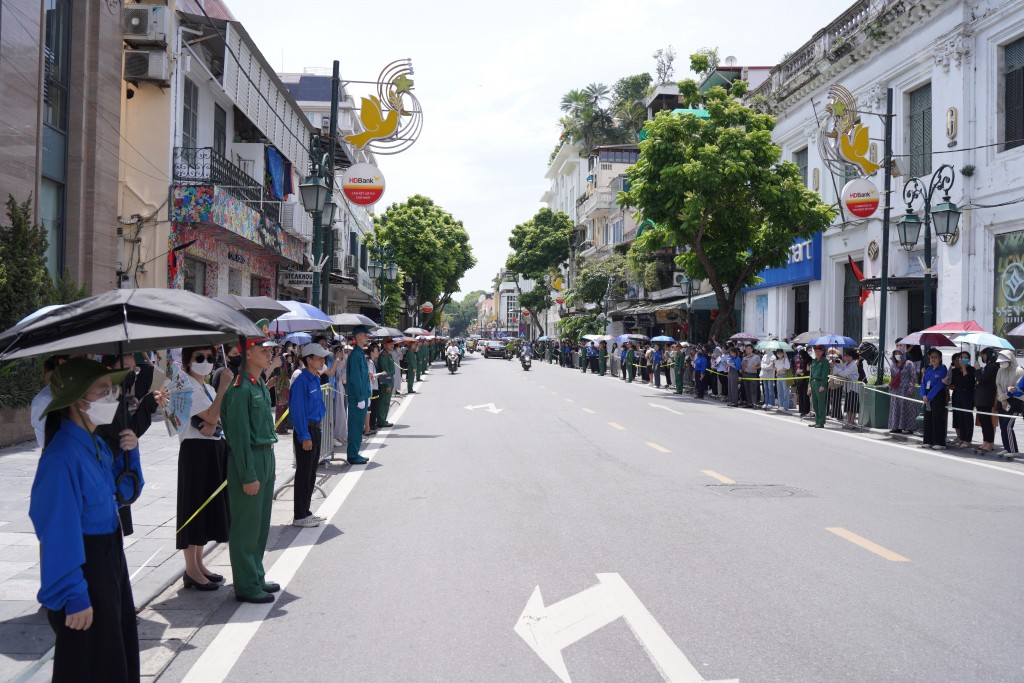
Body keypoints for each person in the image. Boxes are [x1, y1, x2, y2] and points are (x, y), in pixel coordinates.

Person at [30, 358, 143, 681]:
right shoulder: (61, 456)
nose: (113, 397)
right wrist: (73, 592)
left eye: (114, 390)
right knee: (88, 664)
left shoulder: (95, 444)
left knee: (115, 654)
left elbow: (124, 494)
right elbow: (56, 530)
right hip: (84, 565)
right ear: (78, 400)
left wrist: (129, 452)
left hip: (110, 558)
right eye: (104, 391)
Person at [220, 320, 280, 604]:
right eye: (263, 349)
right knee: (246, 527)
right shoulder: (240, 389)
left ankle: (256, 574)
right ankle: (245, 585)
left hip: (265, 455)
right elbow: (240, 437)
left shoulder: (258, 386)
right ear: (246, 354)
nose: (269, 353)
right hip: (250, 460)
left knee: (260, 524)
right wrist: (247, 474)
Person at [176, 346, 231, 590]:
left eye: (210, 357)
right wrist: (223, 389)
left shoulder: (206, 387)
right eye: (200, 357)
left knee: (205, 508)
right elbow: (210, 416)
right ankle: (191, 569)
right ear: (188, 361)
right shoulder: (183, 385)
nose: (206, 362)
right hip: (195, 452)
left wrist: (213, 418)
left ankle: (199, 564)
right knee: (193, 509)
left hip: (212, 449)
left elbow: (216, 417)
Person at [289, 343, 330, 528]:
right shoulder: (301, 380)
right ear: (308, 360)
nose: (323, 360)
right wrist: (304, 436)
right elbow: (298, 411)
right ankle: (299, 515)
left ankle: (306, 512)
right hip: (306, 430)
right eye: (319, 357)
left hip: (315, 429)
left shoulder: (314, 378)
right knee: (304, 474)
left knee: (311, 472)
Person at [345, 326, 373, 465]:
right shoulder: (355, 355)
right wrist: (361, 398)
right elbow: (355, 379)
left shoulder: (359, 353)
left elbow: (363, 378)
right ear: (357, 337)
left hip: (361, 396)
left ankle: (355, 452)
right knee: (355, 427)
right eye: (364, 335)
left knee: (358, 426)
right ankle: (352, 455)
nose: (366, 337)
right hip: (357, 398)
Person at [995, 349, 1023, 456]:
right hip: (1002, 400)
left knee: (1008, 426)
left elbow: (1017, 389)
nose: (1001, 363)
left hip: (1015, 401)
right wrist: (1003, 399)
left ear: (1011, 359)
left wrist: (1005, 397)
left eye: (1004, 361)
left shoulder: (1019, 370)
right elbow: (998, 385)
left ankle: (1014, 450)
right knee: (1002, 425)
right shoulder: (1000, 370)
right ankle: (1007, 448)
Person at [920, 348, 949, 449]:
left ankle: (939, 442)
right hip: (927, 396)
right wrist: (923, 395)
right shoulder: (928, 369)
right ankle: (928, 441)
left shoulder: (943, 369)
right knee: (928, 419)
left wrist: (929, 397)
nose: (933, 359)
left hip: (937, 396)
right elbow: (923, 383)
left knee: (937, 419)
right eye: (931, 357)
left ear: (940, 358)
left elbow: (939, 385)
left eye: (936, 357)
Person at [948, 351, 976, 448]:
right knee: (959, 416)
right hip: (957, 394)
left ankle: (968, 439)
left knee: (967, 417)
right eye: (961, 357)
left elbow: (969, 382)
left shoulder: (971, 369)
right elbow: (951, 383)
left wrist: (964, 368)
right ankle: (962, 437)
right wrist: (951, 385)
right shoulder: (955, 370)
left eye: (966, 358)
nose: (963, 359)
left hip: (967, 394)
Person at [973, 348, 999, 452]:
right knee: (983, 421)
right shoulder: (988, 367)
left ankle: (990, 443)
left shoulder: (992, 367)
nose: (982, 357)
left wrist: (978, 369)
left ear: (988, 355)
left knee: (987, 422)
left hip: (986, 397)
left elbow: (981, 379)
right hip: (981, 397)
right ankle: (985, 441)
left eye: (983, 355)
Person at [834, 348, 861, 428]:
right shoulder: (846, 364)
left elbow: (844, 373)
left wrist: (837, 369)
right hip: (848, 388)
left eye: (847, 355)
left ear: (851, 356)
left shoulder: (853, 365)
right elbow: (841, 369)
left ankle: (852, 422)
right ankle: (848, 422)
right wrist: (835, 364)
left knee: (853, 406)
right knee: (848, 406)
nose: (845, 357)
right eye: (845, 355)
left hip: (854, 388)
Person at [377, 338, 396, 428]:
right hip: (385, 382)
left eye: (392, 344)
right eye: (390, 344)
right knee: (383, 401)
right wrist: (388, 385)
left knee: (386, 401)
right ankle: (381, 421)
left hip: (389, 379)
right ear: (384, 345)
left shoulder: (388, 355)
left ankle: (383, 419)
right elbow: (385, 371)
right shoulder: (384, 355)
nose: (392, 345)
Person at [808, 345, 830, 427]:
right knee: (815, 404)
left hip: (820, 383)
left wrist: (823, 385)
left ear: (822, 352)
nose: (817, 353)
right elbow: (811, 374)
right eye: (816, 351)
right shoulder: (813, 361)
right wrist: (809, 386)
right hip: (813, 383)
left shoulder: (825, 362)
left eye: (819, 351)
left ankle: (821, 422)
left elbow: (825, 375)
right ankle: (817, 420)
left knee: (821, 404)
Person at [793, 347, 812, 417]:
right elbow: (799, 369)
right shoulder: (802, 360)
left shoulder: (809, 360)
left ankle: (806, 411)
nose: (800, 356)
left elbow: (808, 370)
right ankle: (802, 410)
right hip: (801, 380)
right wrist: (799, 371)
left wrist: (802, 371)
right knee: (801, 395)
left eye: (801, 355)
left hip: (806, 381)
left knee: (805, 396)